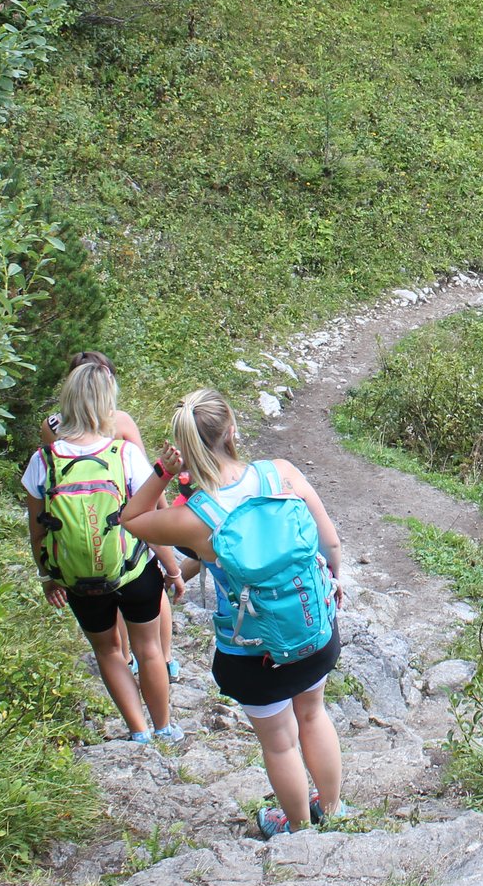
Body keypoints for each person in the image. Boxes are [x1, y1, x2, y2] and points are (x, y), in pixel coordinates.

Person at [118, 389, 346, 837]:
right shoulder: (280, 474)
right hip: (312, 625)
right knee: (314, 714)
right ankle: (334, 810)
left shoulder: (194, 519)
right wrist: (332, 586)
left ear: (186, 449)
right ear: (233, 430)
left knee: (280, 744)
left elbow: (130, 518)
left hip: (253, 654)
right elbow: (331, 542)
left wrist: (164, 471)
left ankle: (297, 829)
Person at [24, 362, 183, 745]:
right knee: (147, 649)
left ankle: (138, 733)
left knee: (109, 651)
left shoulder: (43, 461)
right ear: (106, 404)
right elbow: (147, 521)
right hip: (132, 571)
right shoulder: (123, 454)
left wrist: (48, 577)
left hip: (78, 580)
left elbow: (37, 530)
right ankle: (163, 727)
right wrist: (173, 569)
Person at [51, 352, 179, 682]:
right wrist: (163, 517)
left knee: (106, 591)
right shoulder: (119, 421)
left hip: (80, 535)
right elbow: (148, 479)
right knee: (148, 590)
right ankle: (162, 660)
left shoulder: (52, 426)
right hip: (125, 526)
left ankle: (125, 659)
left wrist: (48, 569)